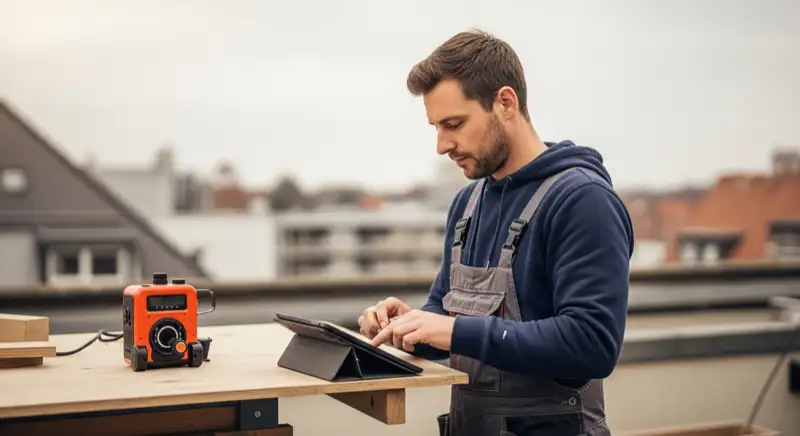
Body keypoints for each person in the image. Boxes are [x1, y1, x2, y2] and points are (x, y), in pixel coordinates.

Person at [358, 29, 634, 436]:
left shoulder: (582, 201)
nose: (441, 145)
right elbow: (445, 316)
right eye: (435, 126)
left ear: (506, 102)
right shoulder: (466, 206)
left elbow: (592, 344)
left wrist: (453, 330)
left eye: (454, 123)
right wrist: (409, 327)